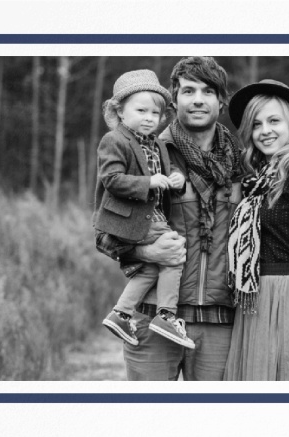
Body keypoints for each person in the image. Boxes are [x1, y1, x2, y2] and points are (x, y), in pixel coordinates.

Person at [117, 57, 243, 381]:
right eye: (188, 90)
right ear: (174, 99)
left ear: (221, 100)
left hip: (220, 322)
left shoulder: (241, 165)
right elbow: (106, 231)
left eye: (208, 91)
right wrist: (146, 253)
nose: (198, 99)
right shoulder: (143, 153)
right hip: (152, 315)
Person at [224, 79, 289, 381]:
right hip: (254, 297)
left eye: (274, 121)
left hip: (286, 298)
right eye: (256, 124)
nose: (265, 131)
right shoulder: (258, 181)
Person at [93, 69, 194, 349]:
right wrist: (149, 182)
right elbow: (111, 180)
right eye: (141, 110)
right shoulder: (115, 140)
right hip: (132, 216)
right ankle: (166, 316)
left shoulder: (158, 144)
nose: (149, 118)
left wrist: (177, 178)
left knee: (149, 270)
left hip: (150, 215)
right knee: (174, 254)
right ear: (120, 113)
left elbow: (170, 168)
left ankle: (121, 313)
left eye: (155, 113)